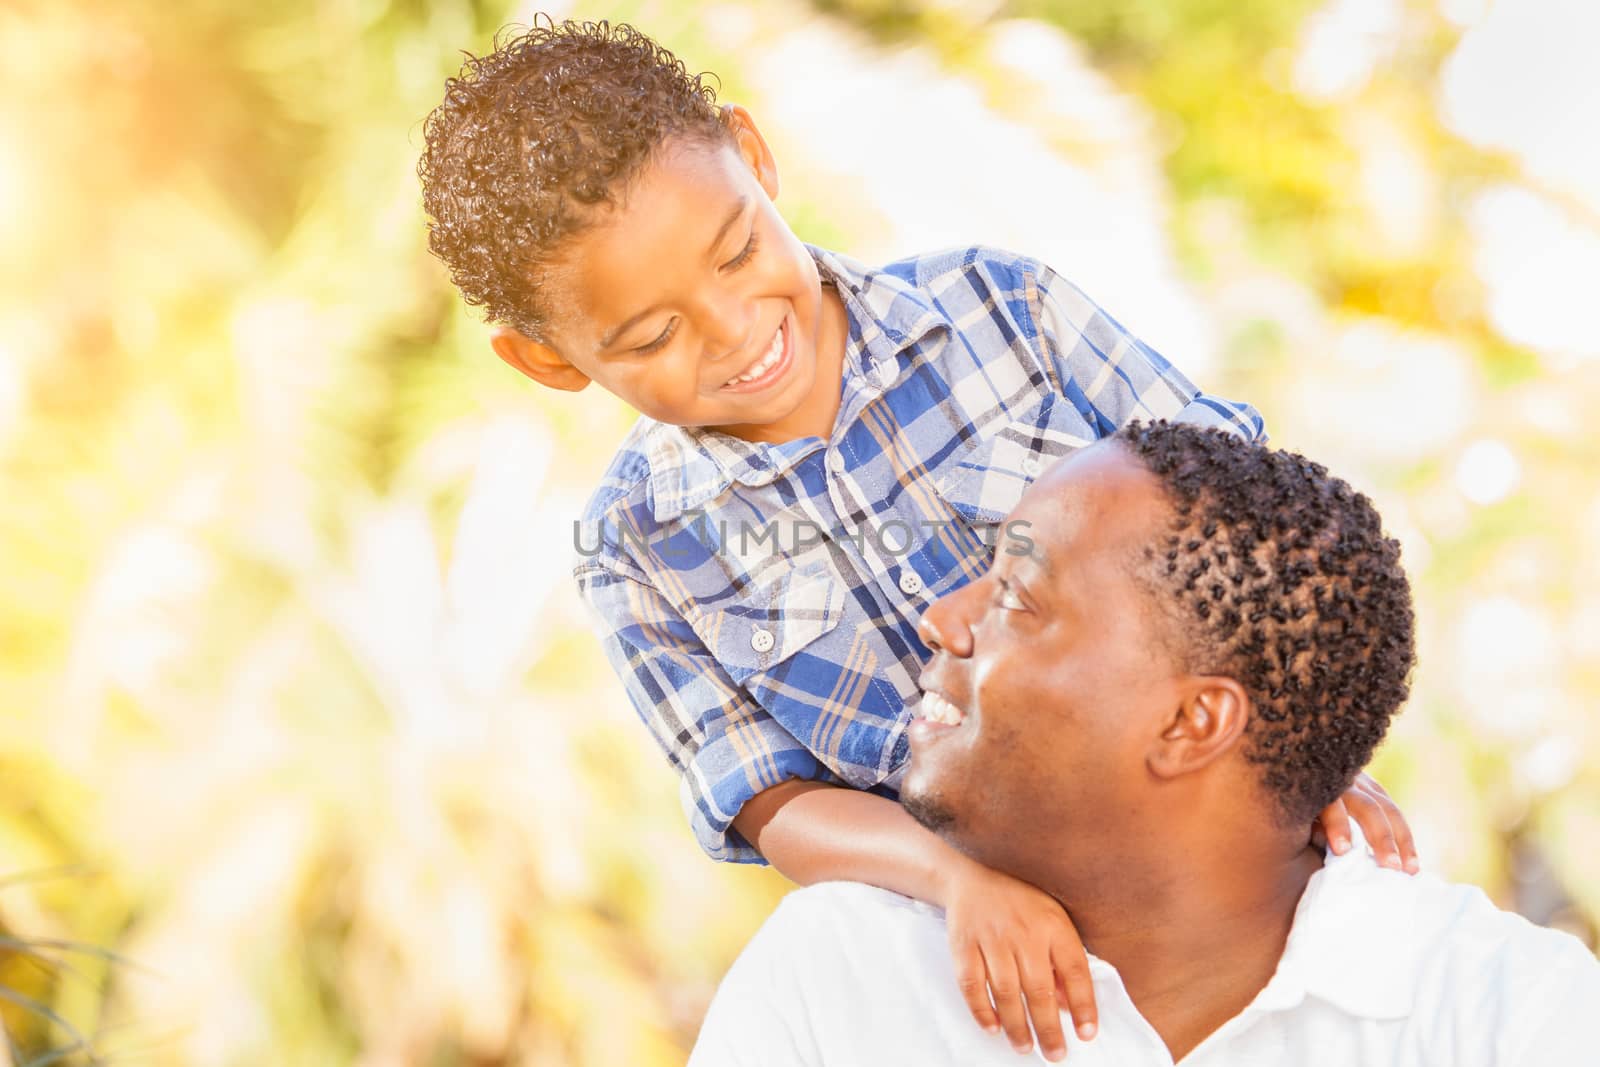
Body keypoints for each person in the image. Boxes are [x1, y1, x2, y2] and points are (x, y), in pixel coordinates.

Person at [416, 19, 1421, 1060]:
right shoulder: (638, 549)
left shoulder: (1006, 310)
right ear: (544, 358)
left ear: (754, 159)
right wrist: (956, 882)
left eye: (738, 250)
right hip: (978, 972)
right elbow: (768, 799)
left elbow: (1248, 542)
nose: (731, 329)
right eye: (654, 335)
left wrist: (1294, 766)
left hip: (1204, 882)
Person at [689, 421, 1600, 1066]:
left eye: (1016, 598)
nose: (942, 620)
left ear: (1190, 723)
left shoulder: (1517, 1018)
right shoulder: (837, 975)